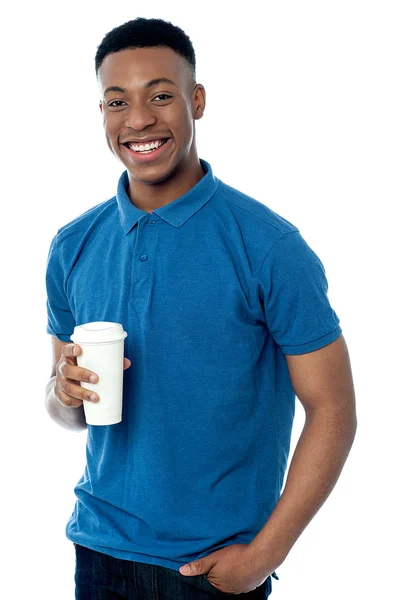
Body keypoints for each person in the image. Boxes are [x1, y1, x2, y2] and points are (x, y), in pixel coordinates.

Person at [44, 16, 357, 600]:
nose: (138, 119)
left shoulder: (267, 245)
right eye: (117, 102)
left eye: (160, 96)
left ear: (197, 101)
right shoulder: (73, 245)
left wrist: (261, 559)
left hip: (213, 570)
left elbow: (334, 410)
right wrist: (62, 394)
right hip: (98, 550)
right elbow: (68, 409)